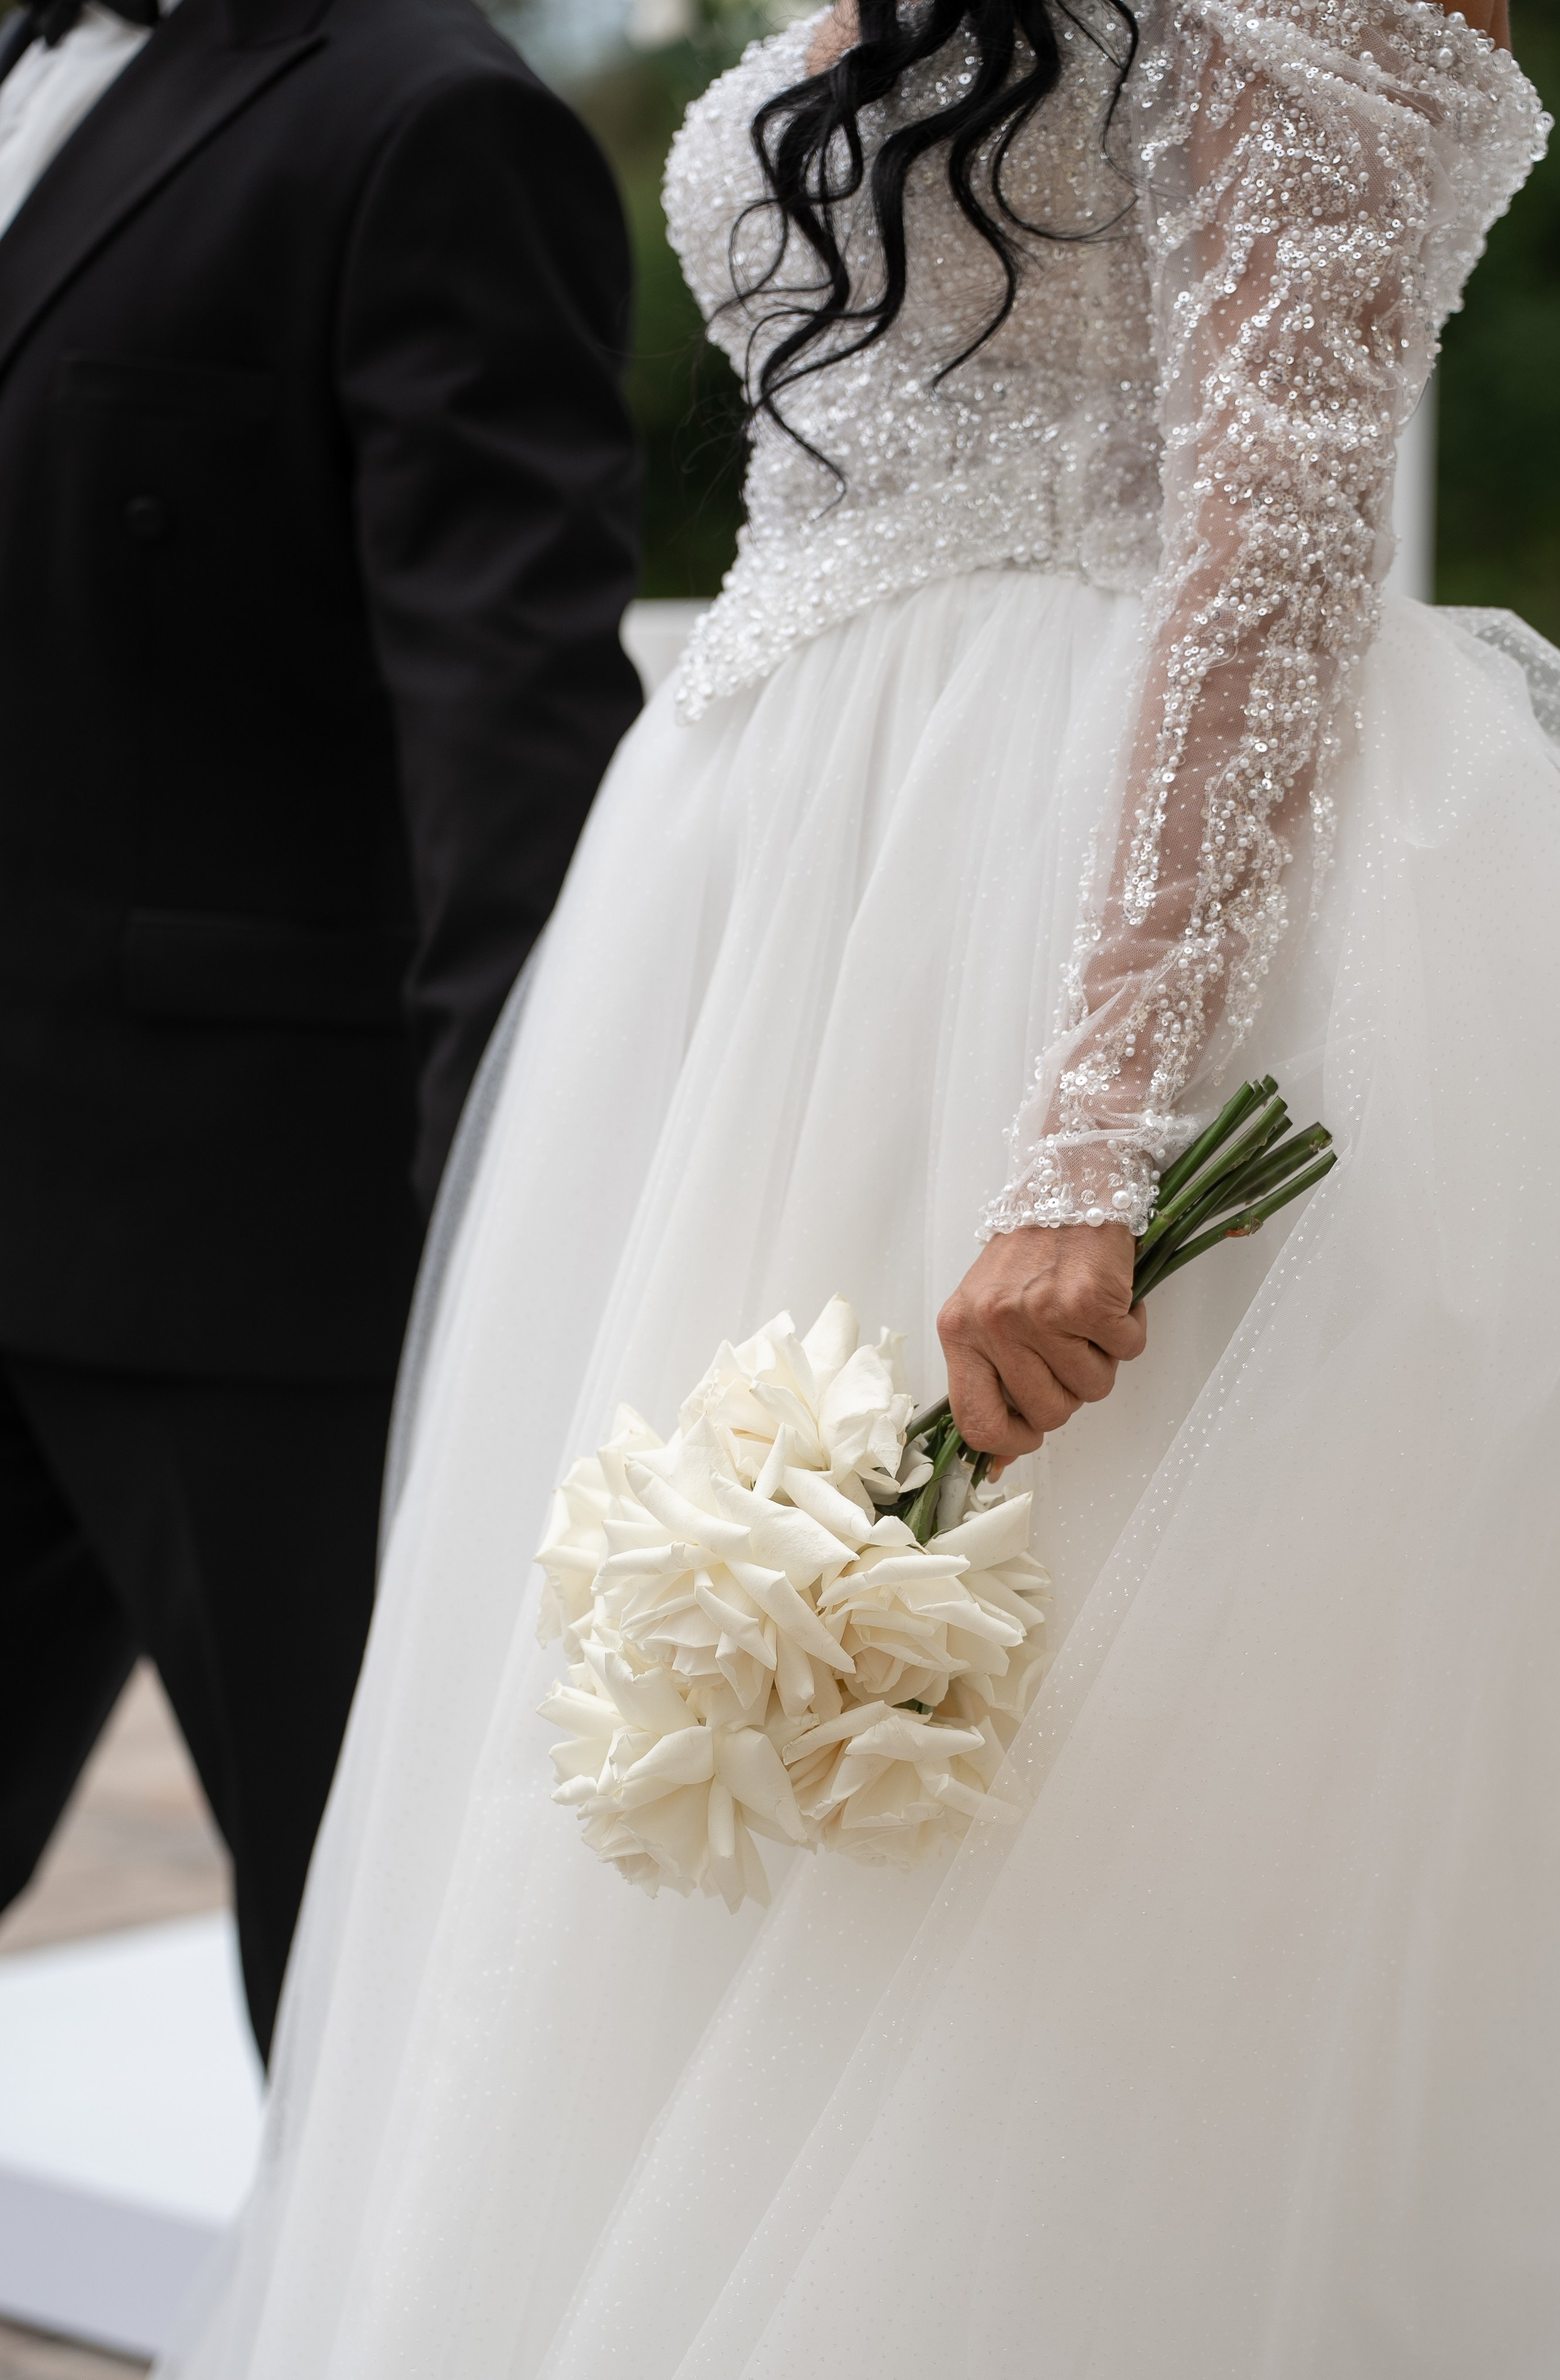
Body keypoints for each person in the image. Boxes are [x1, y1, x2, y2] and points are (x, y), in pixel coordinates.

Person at [172, 0, 1560, 2370]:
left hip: (1071, 927)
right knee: (706, 1733)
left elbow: (1275, 554)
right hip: (764, 922)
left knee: (1086, 1784)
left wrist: (1091, 1147)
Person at [0, 0, 642, 2061]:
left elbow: (511, 739)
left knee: (362, 1981)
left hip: (268, 1260)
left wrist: (510, 1238)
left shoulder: (425, 122)